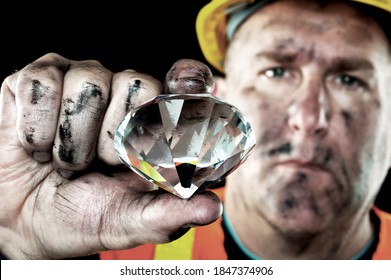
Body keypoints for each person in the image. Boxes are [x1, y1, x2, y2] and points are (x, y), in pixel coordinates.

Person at [0, 0, 390, 260]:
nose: (308, 118)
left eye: (350, 80)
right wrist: (16, 244)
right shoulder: (110, 252)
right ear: (214, 104)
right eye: (276, 72)